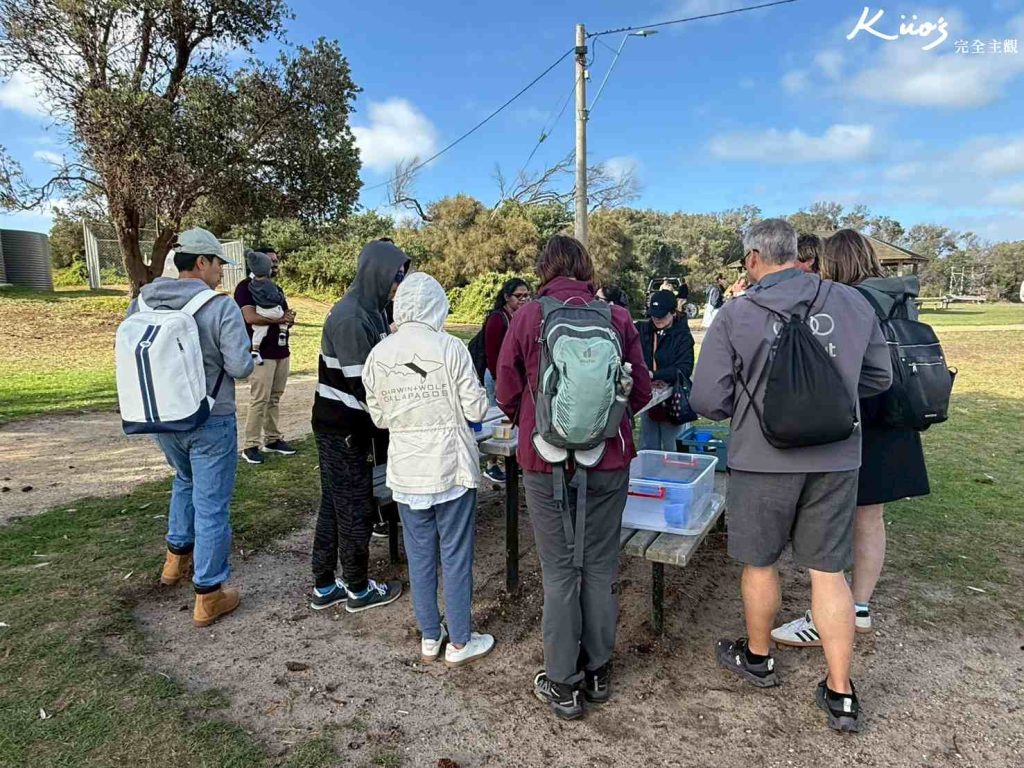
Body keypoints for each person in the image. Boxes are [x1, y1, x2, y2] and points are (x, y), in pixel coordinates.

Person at [690, 218, 891, 733]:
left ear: (753, 259)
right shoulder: (852, 303)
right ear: (799, 253)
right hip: (836, 456)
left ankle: (759, 658)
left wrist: (755, 405)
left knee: (760, 563)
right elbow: (879, 377)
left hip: (762, 459)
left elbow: (707, 398)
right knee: (829, 572)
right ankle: (841, 691)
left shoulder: (737, 313)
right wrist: (824, 401)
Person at [496, 235, 652, 720]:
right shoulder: (618, 318)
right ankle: (598, 671)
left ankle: (563, 682)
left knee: (560, 571)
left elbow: (505, 389)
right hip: (607, 459)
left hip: (545, 461)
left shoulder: (527, 317)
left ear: (544, 269)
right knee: (600, 568)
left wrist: (535, 421)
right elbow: (640, 391)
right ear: (586, 268)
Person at [772, 229, 929, 647]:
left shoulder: (849, 302)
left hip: (858, 418)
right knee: (871, 518)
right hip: (898, 416)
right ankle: (859, 605)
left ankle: (828, 614)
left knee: (832, 521)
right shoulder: (899, 295)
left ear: (835, 262)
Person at [363, 272, 495, 667]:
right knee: (455, 554)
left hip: (407, 471)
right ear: (438, 306)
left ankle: (429, 635)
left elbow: (379, 417)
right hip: (450, 467)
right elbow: (476, 409)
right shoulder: (450, 347)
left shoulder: (379, 354)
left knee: (419, 555)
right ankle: (460, 640)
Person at [130, 228, 255, 627]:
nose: (221, 272)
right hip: (210, 418)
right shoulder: (219, 306)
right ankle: (209, 594)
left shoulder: (142, 301)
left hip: (161, 417)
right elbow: (240, 367)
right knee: (212, 504)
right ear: (202, 262)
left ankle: (174, 562)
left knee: (184, 479)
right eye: (219, 264)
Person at [309, 239, 410, 614]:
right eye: (396, 277)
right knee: (354, 508)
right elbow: (365, 385)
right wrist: (401, 416)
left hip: (347, 425)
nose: (399, 285)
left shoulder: (375, 310)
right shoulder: (351, 317)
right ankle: (357, 588)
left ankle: (324, 584)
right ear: (377, 274)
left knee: (334, 504)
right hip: (344, 429)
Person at [234, 246, 297, 465]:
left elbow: (284, 313)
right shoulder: (245, 288)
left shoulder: (276, 288)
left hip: (281, 350)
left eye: (276, 260)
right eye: (271, 261)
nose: (275, 264)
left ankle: (272, 439)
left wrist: (288, 319)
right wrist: (279, 320)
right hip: (261, 353)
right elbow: (250, 317)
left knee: (275, 397)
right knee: (259, 399)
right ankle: (250, 445)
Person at [482, 277, 531, 484]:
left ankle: (513, 460)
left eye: (527, 296)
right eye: (518, 296)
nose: (523, 300)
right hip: (497, 377)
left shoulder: (521, 317)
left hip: (514, 377)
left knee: (512, 420)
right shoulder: (497, 319)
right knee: (497, 420)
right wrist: (499, 380)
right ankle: (491, 463)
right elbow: (492, 354)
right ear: (506, 297)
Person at [635, 290, 695, 452]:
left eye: (662, 315)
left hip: (674, 399)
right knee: (647, 448)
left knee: (674, 450)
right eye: (654, 315)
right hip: (649, 399)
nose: (657, 319)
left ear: (673, 313)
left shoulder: (682, 336)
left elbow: (684, 368)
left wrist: (654, 375)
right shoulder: (642, 329)